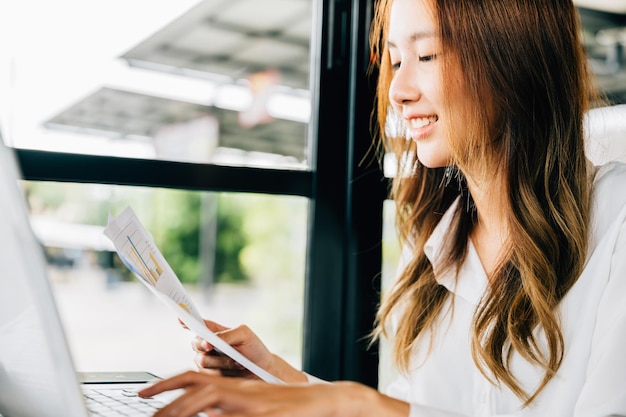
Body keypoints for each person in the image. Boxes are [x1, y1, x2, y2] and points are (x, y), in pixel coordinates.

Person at [138, 0, 626, 415]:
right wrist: (276, 381)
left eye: (427, 54)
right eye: (394, 59)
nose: (396, 89)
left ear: (514, 54)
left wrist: (360, 405)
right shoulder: (441, 240)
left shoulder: (616, 219)